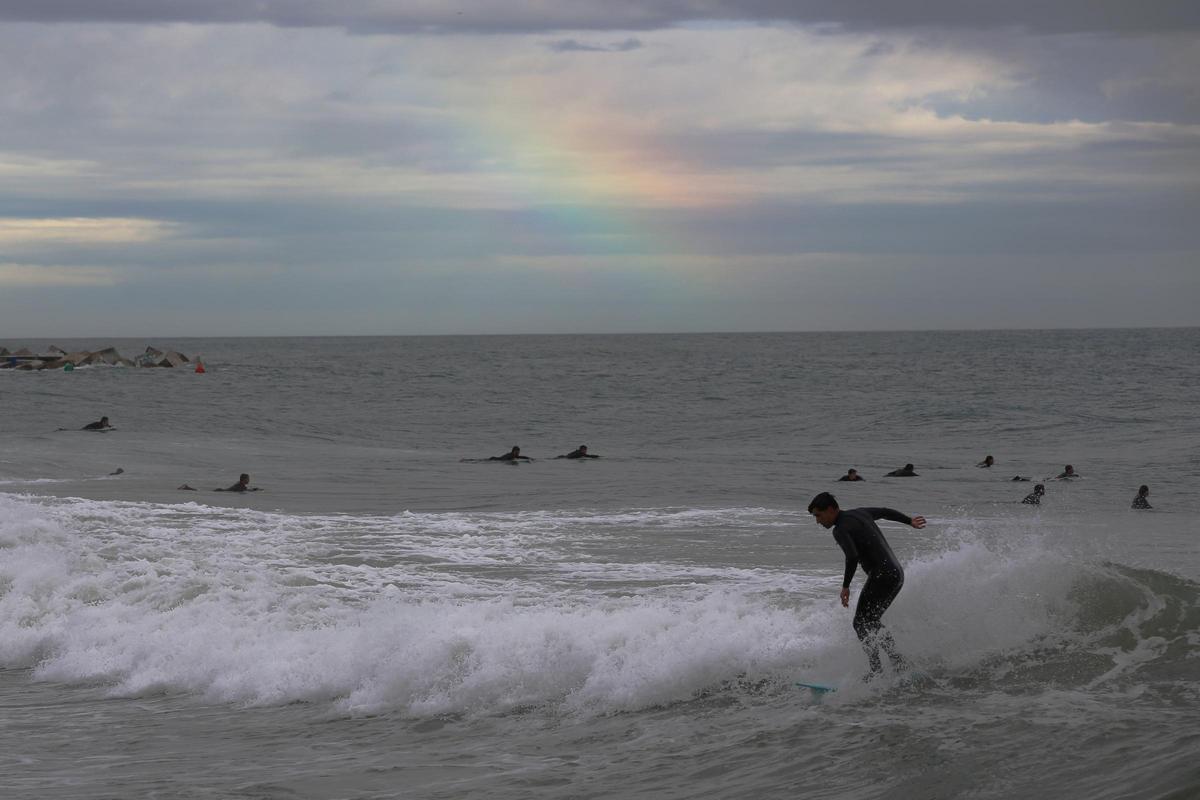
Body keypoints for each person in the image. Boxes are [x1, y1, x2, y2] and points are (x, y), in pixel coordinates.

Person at [807, 492, 926, 676]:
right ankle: (897, 662)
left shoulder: (839, 529)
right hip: (896, 574)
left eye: (818, 515)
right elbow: (885, 512)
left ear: (830, 510)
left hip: (882, 576)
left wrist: (845, 586)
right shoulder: (860, 513)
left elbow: (852, 556)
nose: (818, 521)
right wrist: (909, 520)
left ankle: (877, 670)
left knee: (860, 623)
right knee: (870, 621)